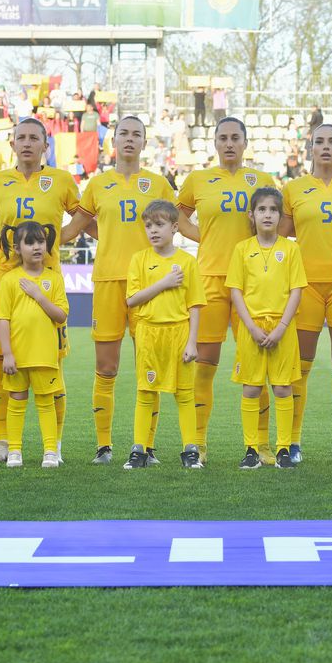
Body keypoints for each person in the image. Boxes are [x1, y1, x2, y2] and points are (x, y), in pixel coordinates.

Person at [61, 116, 174, 465]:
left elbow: (178, 226)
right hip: (108, 280)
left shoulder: (158, 184)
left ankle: (146, 446)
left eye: (136, 134)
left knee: (149, 367)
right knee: (106, 368)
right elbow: (74, 228)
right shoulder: (98, 185)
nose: (129, 139)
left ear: (144, 142)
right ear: (113, 142)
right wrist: (36, 241)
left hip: (152, 282)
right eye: (123, 133)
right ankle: (104, 446)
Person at [0, 117, 82, 464]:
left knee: (53, 366)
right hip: (8, 279)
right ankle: (3, 442)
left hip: (48, 279)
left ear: (44, 144)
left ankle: (55, 444)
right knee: (2, 364)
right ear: (11, 144)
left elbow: (82, 218)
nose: (26, 143)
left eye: (33, 138)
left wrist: (55, 242)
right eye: (20, 137)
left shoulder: (62, 180)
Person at [176, 117, 276, 463]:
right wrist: (205, 237)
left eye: (235, 138)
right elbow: (177, 215)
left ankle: (260, 444)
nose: (229, 143)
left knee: (258, 366)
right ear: (215, 143)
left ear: (245, 143)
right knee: (205, 364)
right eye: (223, 138)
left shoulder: (262, 181)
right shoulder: (198, 180)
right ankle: (198, 444)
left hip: (253, 281)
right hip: (210, 279)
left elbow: (274, 219)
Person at [279, 124, 332, 463]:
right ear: (310, 148)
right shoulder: (294, 188)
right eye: (320, 142)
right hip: (306, 287)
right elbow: (282, 232)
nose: (326, 147)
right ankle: (293, 442)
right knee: (299, 367)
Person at [227, 187, 306, 470]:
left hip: (283, 329)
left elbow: (296, 290)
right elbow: (236, 291)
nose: (268, 215)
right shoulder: (242, 249)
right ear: (252, 215)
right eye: (262, 210)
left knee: (283, 387)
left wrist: (282, 327)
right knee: (251, 388)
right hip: (252, 329)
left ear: (281, 215)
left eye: (273, 210)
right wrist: (250, 327)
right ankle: (251, 449)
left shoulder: (291, 248)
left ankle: (283, 449)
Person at [123, 200, 205, 469]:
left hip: (179, 334)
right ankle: (139, 450)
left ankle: (190, 450)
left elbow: (194, 304)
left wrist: (192, 341)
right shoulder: (139, 259)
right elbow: (132, 300)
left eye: (159, 225)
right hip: (148, 334)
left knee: (184, 393)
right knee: (146, 392)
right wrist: (164, 282)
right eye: (148, 226)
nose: (153, 231)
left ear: (174, 227)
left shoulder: (187, 262)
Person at [0, 221, 70, 469]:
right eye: (30, 242)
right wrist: (7, 354)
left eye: (40, 242)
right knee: (16, 401)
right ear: (17, 248)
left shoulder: (54, 279)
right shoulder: (9, 280)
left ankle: (50, 450)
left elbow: (60, 316)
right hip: (17, 355)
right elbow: (3, 320)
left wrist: (38, 295)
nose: (37, 247)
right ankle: (15, 450)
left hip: (45, 355)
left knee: (46, 402)